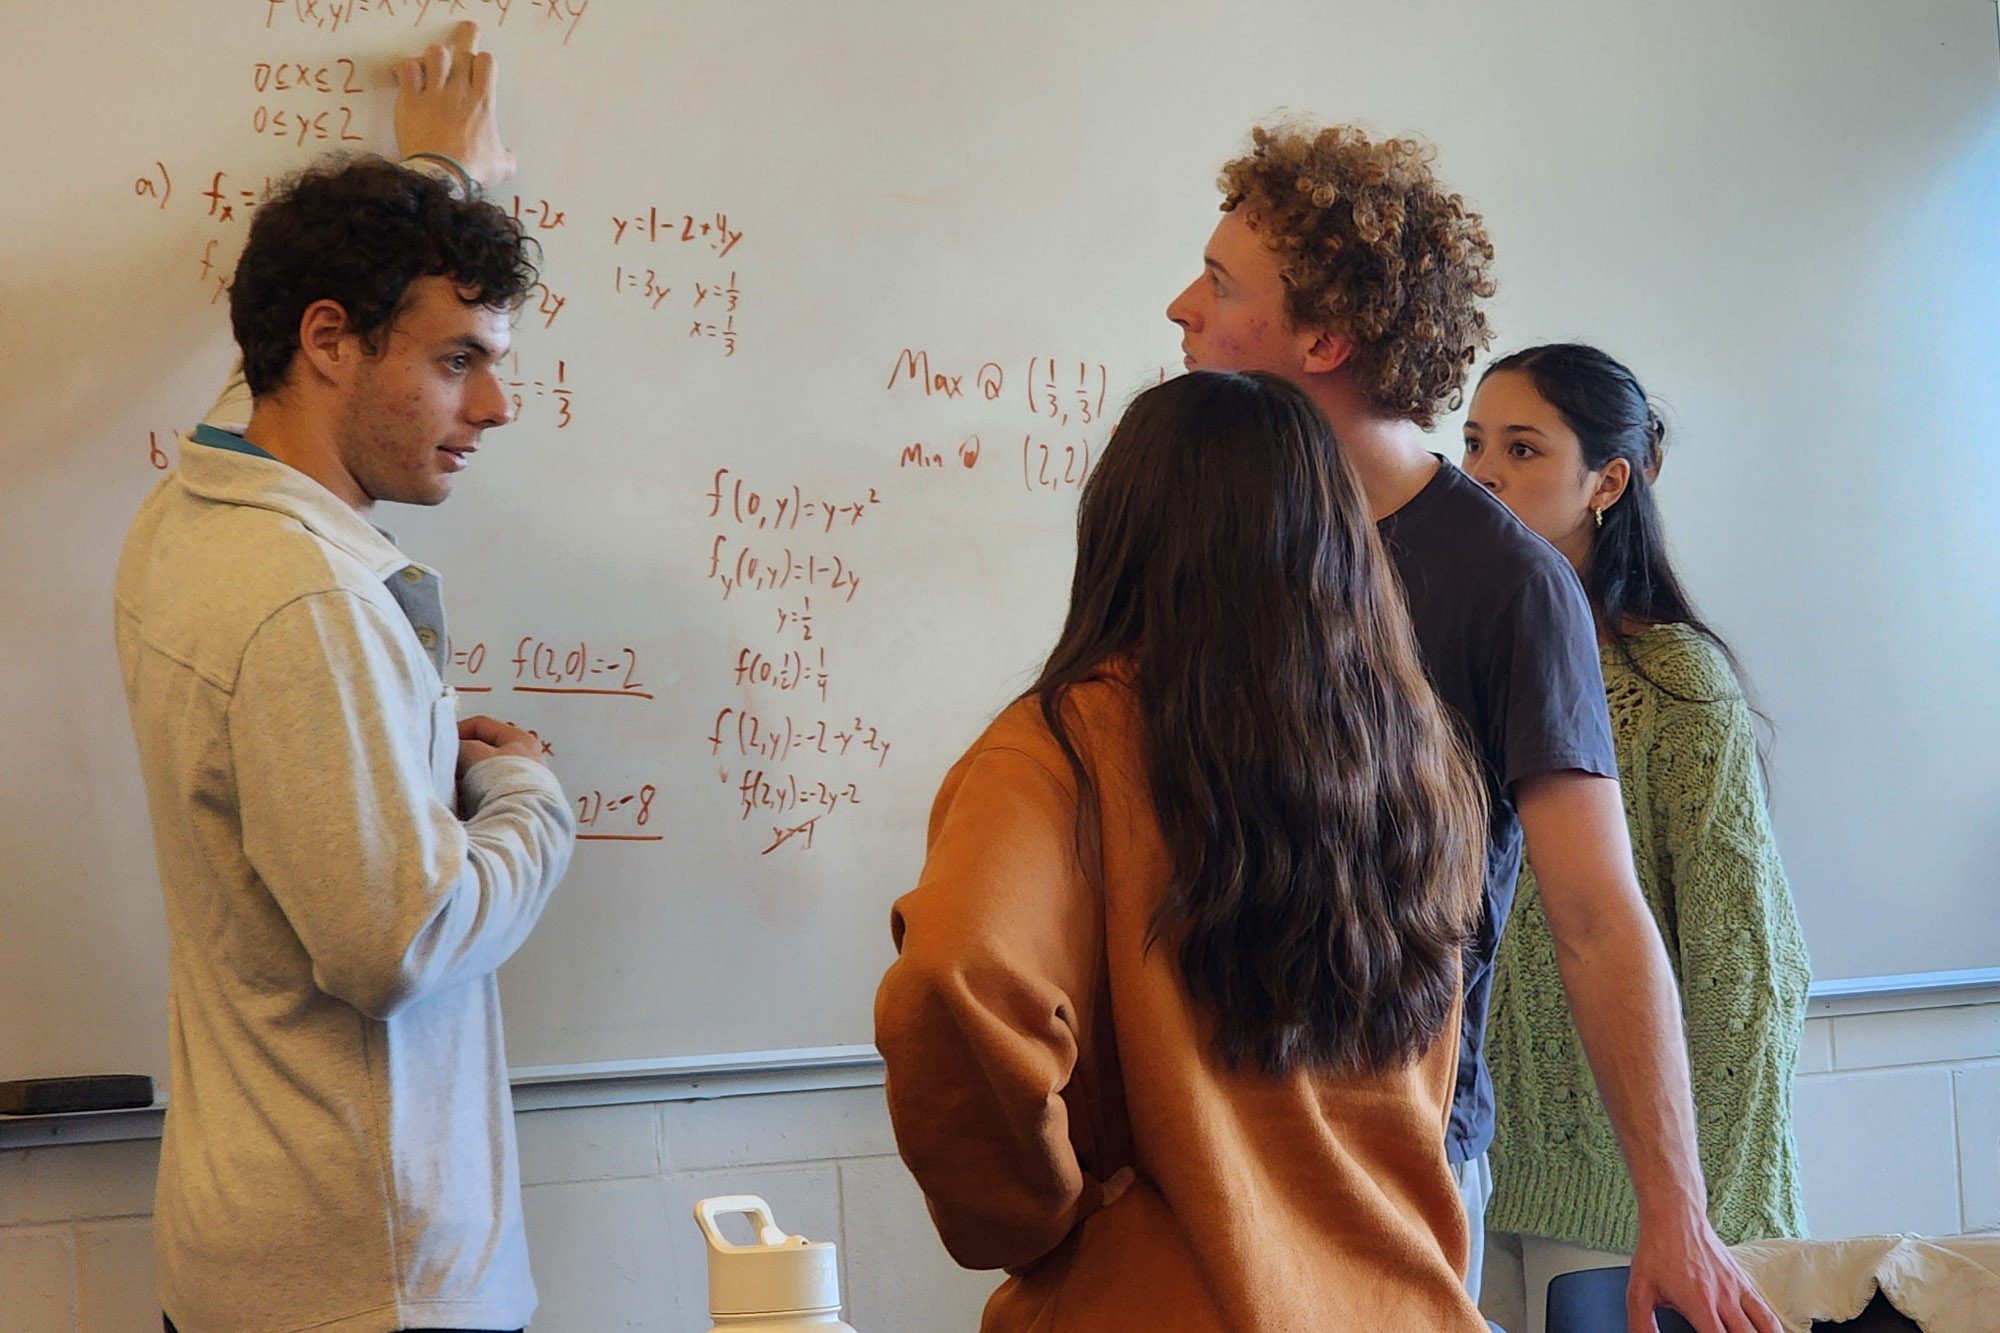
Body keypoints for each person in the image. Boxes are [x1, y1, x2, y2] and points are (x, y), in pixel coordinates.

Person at [1165, 124, 1781, 1333]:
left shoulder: (1505, 584)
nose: (1181, 307)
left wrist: (1676, 1210)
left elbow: (1597, 915)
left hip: (1397, 1160)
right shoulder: (1221, 537)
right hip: (1204, 1138)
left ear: (1322, 341)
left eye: (1222, 285)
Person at [114, 24, 572, 1333]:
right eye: (456, 361)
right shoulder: (306, 600)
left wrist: (438, 184)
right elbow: (400, 937)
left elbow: (268, 376)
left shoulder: (190, 506)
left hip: (264, 1260)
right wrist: (532, 800)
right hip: (372, 1289)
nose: (494, 408)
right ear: (329, 340)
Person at [876, 371, 1492, 1331]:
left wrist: (1038, 1210)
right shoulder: (1410, 761)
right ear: (1337, 538)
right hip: (1402, 1303)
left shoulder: (1064, 748)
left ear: (1121, 530)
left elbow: (955, 976)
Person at [1460, 343, 1812, 1332]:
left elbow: (1745, 969)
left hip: (1629, 1204)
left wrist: (1704, 1215)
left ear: (1605, 481)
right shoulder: (1463, 671)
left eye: (1522, 448)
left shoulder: (1670, 685)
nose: (1483, 472)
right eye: (1474, 442)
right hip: (1478, 1176)